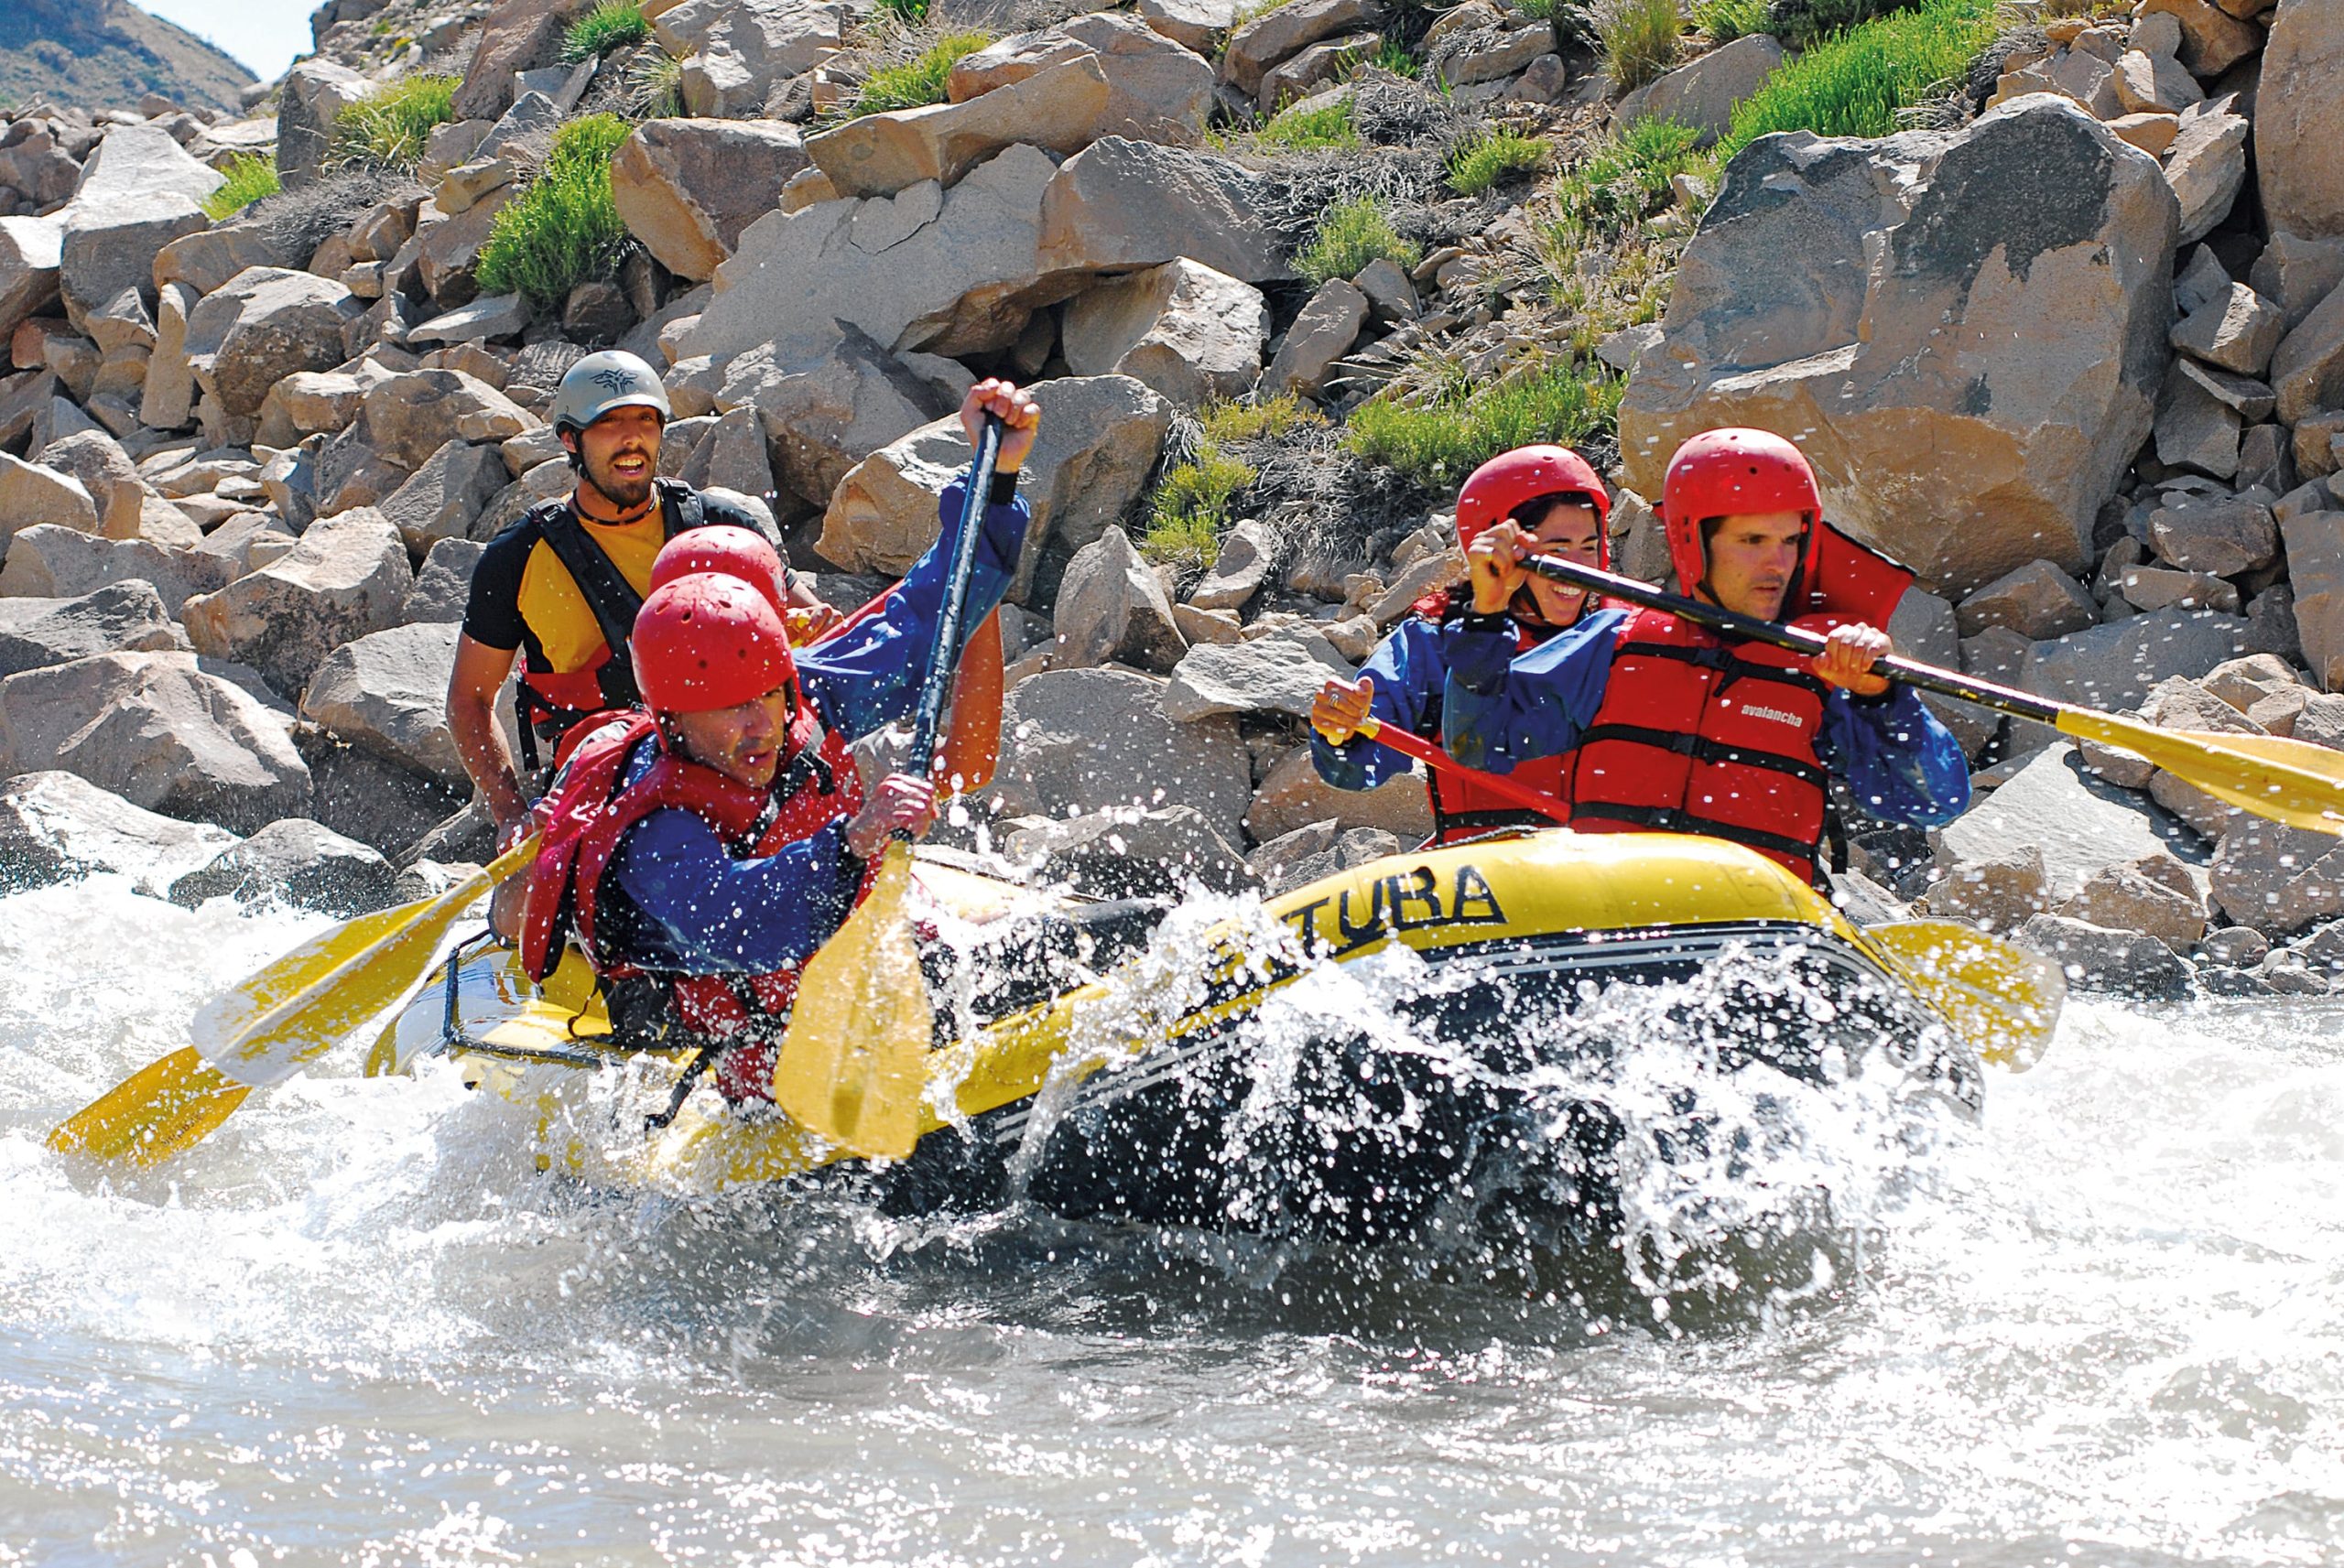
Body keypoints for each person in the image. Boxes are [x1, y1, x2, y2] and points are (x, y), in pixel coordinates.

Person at [516, 381, 1042, 1105]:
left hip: (880, 974)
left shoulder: (801, 694)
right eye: (727, 710)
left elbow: (927, 612)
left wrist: (998, 471)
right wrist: (855, 839)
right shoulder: (656, 822)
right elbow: (742, 924)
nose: (759, 725)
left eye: (765, 695)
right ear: (671, 719)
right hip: (782, 1070)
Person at [1440, 427, 1970, 887]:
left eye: (1790, 540)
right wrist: (1486, 614)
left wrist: (1881, 699)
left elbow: (1933, 802)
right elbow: (1477, 745)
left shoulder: (1825, 668)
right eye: (1752, 539)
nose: (1777, 563)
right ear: (1692, 541)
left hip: (1753, 937)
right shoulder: (1612, 641)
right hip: (1616, 915)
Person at [447, 349, 841, 851]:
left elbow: (813, 627)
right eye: (609, 423)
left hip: (738, 746)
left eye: (646, 420)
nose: (632, 437)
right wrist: (510, 815)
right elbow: (469, 700)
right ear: (570, 439)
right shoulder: (518, 557)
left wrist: (816, 631)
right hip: (610, 769)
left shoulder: (719, 526)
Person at [1308, 446, 1610, 844]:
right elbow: (1357, 771)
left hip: (1614, 863)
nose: (1577, 568)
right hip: (1487, 872)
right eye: (1556, 550)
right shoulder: (1430, 644)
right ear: (1500, 549)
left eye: (1588, 547)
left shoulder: (1622, 634)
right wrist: (1340, 733)